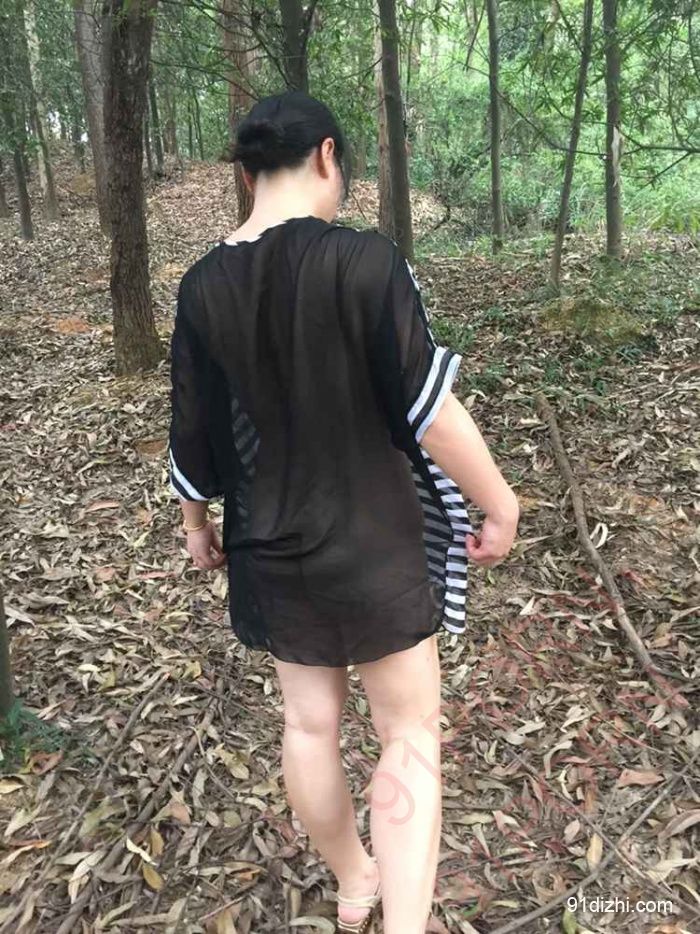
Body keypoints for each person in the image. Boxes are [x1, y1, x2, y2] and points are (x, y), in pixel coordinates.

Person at [167, 90, 519, 934]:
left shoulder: (203, 285)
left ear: (248, 175)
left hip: (268, 543)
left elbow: (192, 429)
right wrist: (499, 502)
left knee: (308, 725)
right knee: (408, 733)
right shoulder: (365, 262)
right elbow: (430, 410)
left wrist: (195, 525)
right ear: (327, 155)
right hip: (374, 542)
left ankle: (355, 878)